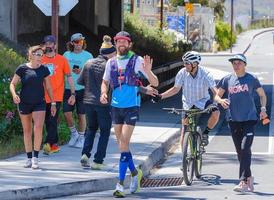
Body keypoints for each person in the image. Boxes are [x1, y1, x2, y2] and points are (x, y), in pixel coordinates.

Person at [100, 31, 159, 198]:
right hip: (115, 107)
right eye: (119, 41)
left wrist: (148, 71)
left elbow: (155, 83)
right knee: (122, 146)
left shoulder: (137, 60)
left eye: (125, 42)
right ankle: (135, 173)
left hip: (131, 106)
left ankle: (120, 184)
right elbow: (105, 82)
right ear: (115, 43)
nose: (122, 44)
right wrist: (103, 93)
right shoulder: (110, 62)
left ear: (130, 44)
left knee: (124, 142)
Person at [154, 51, 229, 146]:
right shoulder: (182, 73)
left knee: (216, 112)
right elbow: (175, 89)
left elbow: (215, 92)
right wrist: (161, 96)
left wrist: (220, 100)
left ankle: (205, 133)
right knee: (184, 132)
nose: (185, 65)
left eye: (187, 63)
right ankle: (184, 158)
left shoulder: (206, 74)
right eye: (184, 63)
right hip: (188, 103)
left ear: (195, 64)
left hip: (203, 101)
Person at [217, 54, 267, 192]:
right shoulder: (227, 79)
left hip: (249, 119)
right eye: (234, 63)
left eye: (239, 62)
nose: (236, 65)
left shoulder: (252, 79)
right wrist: (220, 101)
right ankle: (249, 177)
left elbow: (262, 95)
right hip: (233, 120)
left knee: (245, 148)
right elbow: (217, 95)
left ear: (245, 64)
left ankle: (243, 182)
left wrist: (263, 109)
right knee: (240, 152)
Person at [9, 45, 56, 169]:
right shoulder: (22, 68)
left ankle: (36, 157)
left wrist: (53, 102)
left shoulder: (44, 69)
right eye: (39, 54)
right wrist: (14, 95)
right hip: (24, 102)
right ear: (31, 55)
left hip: (39, 102)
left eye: (42, 54)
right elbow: (13, 84)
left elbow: (49, 87)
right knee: (27, 130)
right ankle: (29, 158)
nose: (41, 56)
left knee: (38, 128)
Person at [78, 35, 116, 170]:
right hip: (103, 103)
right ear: (110, 54)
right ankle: (98, 160)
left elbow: (80, 81)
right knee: (105, 131)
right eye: (114, 53)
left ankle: (85, 154)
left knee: (91, 129)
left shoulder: (88, 63)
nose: (116, 55)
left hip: (88, 101)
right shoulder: (110, 66)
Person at [41, 35, 76, 154]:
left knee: (52, 119)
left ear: (55, 46)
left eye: (51, 43)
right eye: (46, 43)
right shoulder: (40, 59)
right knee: (47, 120)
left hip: (56, 96)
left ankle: (47, 144)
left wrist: (73, 93)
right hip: (41, 95)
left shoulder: (62, 60)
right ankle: (54, 144)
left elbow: (69, 77)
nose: (49, 45)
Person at [63, 33, 93, 148]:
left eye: (80, 42)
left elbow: (91, 71)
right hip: (68, 89)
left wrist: (81, 72)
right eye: (76, 42)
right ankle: (74, 133)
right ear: (72, 43)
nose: (78, 44)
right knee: (67, 113)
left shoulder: (88, 55)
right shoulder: (66, 54)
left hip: (83, 89)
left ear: (83, 43)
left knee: (81, 115)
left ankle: (81, 137)